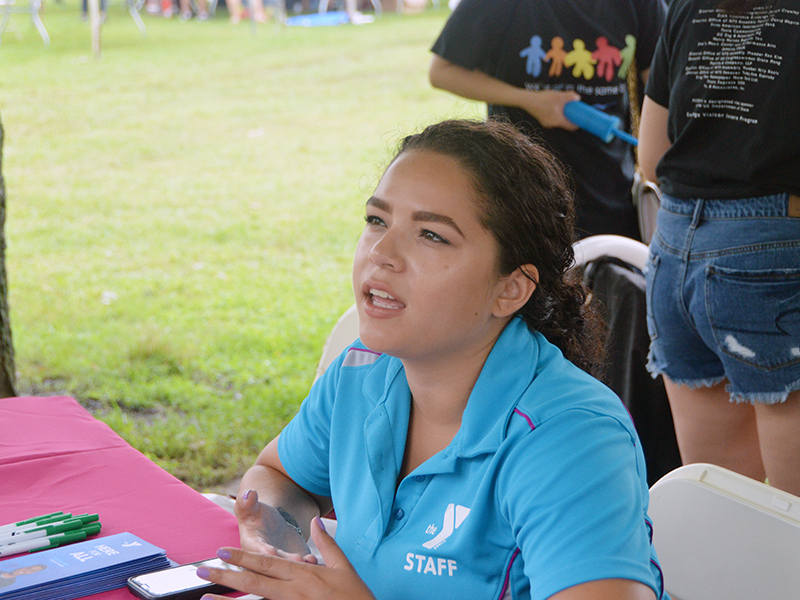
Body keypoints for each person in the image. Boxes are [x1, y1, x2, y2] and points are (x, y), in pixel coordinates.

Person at [197, 119, 666, 600]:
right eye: (377, 220)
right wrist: (277, 543)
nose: (381, 252)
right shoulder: (363, 372)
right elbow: (280, 475)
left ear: (510, 289)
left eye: (431, 236)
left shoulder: (572, 437)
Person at [637, 0, 800, 495]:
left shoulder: (690, 6)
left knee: (721, 503)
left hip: (672, 250)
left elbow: (650, 158)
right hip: (771, 256)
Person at [428, 0, 667, 241]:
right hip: (521, 193)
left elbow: (663, 83)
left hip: (611, 193)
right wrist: (529, 100)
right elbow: (442, 71)